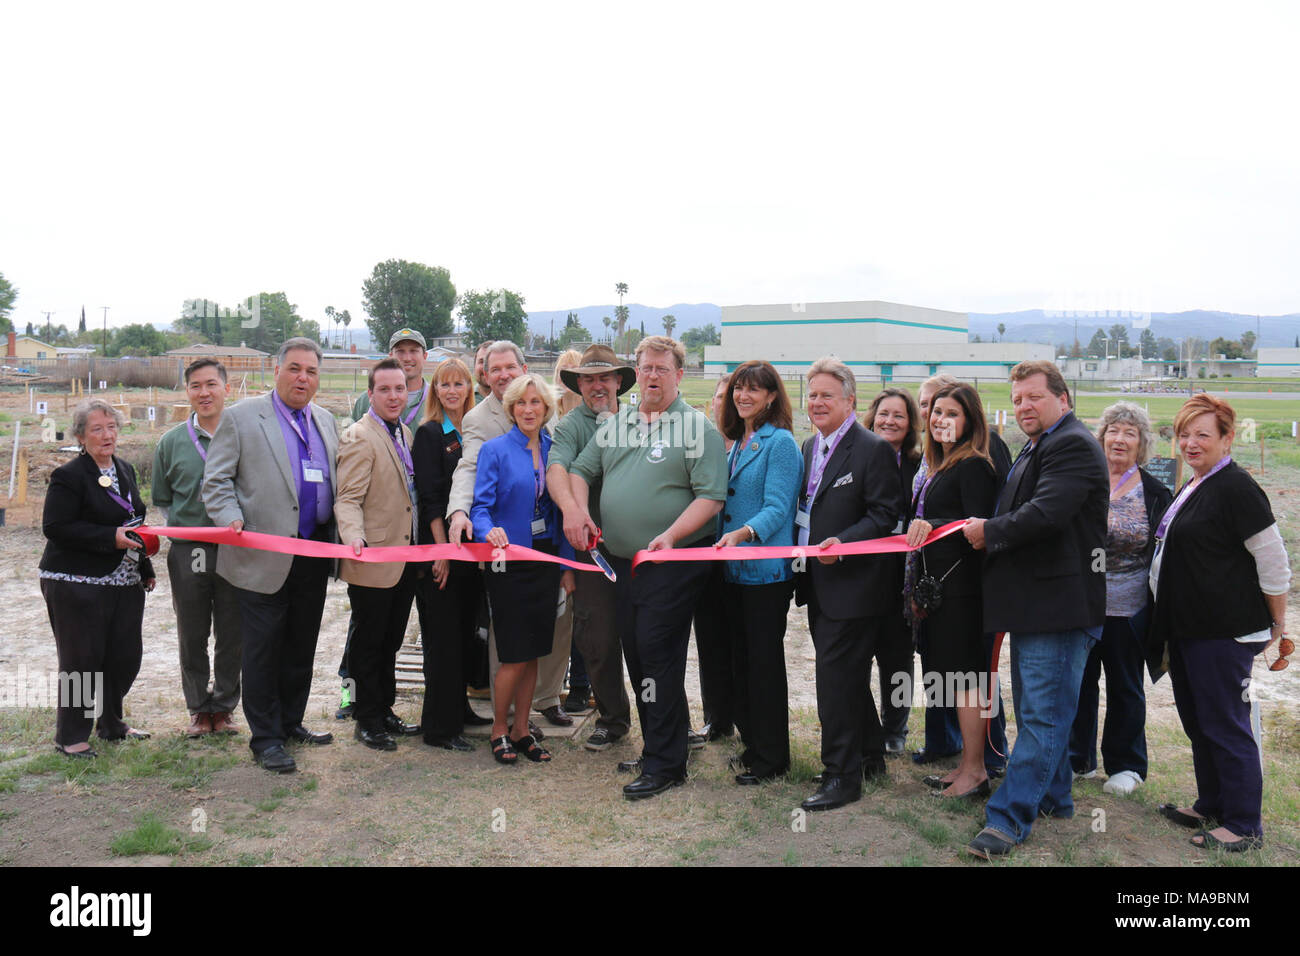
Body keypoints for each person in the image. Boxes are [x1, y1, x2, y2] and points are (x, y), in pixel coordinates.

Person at [568, 335, 728, 799]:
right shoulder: (618, 424)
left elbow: (711, 498)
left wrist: (671, 536)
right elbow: (580, 470)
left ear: (679, 374)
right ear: (634, 374)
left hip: (671, 562)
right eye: (645, 368)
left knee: (656, 655)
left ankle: (664, 765)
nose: (652, 376)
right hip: (621, 564)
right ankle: (665, 744)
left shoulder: (698, 429)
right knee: (638, 654)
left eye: (662, 368)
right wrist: (580, 513)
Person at [963, 360, 1108, 859]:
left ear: (1062, 399)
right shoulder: (1042, 442)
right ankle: (1054, 797)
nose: (1024, 405)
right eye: (1018, 398)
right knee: (1040, 713)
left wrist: (989, 531)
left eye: (1035, 397)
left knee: (1042, 718)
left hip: (1059, 609)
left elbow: (1046, 513)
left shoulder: (1070, 444)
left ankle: (1007, 821)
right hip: (1038, 606)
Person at [1149, 394, 1290, 852]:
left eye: (1202, 435)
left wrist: (1278, 623)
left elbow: (1273, 562)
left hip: (1222, 631)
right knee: (1199, 721)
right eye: (1184, 434)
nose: (1191, 443)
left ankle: (1245, 823)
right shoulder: (1196, 483)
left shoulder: (1236, 488)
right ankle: (1211, 802)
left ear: (1227, 439)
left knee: (1226, 725)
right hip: (1190, 628)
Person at [203, 337, 340, 774]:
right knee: (262, 649)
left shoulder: (326, 421)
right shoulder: (241, 418)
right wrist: (230, 518)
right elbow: (217, 481)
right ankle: (265, 739)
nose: (303, 378)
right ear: (276, 371)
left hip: (313, 551)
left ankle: (290, 722)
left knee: (301, 643)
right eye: (295, 368)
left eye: (312, 371)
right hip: (260, 556)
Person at [794, 358, 899, 812]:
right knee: (846, 678)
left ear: (850, 401)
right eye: (812, 395)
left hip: (855, 585)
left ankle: (841, 776)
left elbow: (884, 515)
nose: (817, 403)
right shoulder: (808, 447)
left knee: (834, 681)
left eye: (826, 396)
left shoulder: (872, 448)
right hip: (819, 583)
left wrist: (845, 541)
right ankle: (870, 755)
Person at [41, 400, 156, 757]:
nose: (107, 435)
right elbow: (56, 527)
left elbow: (133, 522)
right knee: (81, 661)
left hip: (124, 580)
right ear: (80, 436)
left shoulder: (124, 469)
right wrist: (109, 538)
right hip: (75, 582)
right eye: (97, 429)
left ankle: (111, 724)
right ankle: (70, 737)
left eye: (111, 427)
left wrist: (144, 566)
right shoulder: (69, 476)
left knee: (123, 657)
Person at [1068, 402, 1171, 795]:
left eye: (1130, 433)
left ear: (1141, 444)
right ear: (1102, 436)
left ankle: (1127, 766)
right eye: (1114, 430)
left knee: (1126, 686)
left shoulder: (1155, 491)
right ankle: (1078, 759)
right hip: (1081, 602)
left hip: (1129, 609)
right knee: (1080, 683)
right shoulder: (1085, 479)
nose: (1120, 439)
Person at [472, 373, 576, 764]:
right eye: (521, 403)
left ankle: (522, 729)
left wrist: (567, 566)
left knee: (534, 651)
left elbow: (561, 510)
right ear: (510, 408)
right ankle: (499, 728)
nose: (528, 410)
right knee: (514, 652)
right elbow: (480, 506)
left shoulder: (554, 450)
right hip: (508, 560)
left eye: (536, 403)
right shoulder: (495, 450)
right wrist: (488, 531)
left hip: (546, 560)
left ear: (547, 408)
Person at [903, 383, 998, 799]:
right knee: (951, 679)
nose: (941, 419)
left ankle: (976, 769)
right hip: (938, 593)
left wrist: (934, 525)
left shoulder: (973, 466)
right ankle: (964, 764)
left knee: (967, 682)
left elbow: (976, 532)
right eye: (936, 412)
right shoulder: (939, 465)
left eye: (952, 413)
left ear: (971, 421)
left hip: (962, 594)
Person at [712, 361, 801, 784]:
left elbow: (778, 506)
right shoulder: (737, 442)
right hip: (732, 573)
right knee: (742, 664)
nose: (742, 396)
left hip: (765, 574)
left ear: (770, 396)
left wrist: (744, 533)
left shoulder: (779, 443)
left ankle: (772, 758)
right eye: (737, 389)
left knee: (764, 667)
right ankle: (753, 746)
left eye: (753, 390)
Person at [548, 344, 637, 752]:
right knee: (597, 636)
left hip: (642, 545)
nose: (597, 385)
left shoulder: (644, 420)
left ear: (619, 381)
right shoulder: (569, 427)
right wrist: (571, 511)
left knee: (651, 637)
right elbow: (557, 469)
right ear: (578, 384)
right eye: (589, 379)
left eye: (605, 377)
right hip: (593, 547)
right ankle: (613, 718)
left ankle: (668, 717)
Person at [338, 328, 430, 717]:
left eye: (399, 390)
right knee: (368, 641)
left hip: (403, 556)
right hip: (373, 557)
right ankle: (364, 714)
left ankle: (384, 709)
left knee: (390, 639)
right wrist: (355, 538)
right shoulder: (360, 436)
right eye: (385, 390)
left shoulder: (404, 433)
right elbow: (348, 499)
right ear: (371, 395)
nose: (394, 396)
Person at [152, 358, 242, 737]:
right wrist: (190, 529)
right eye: (195, 386)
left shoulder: (245, 434)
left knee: (232, 631)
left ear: (226, 387)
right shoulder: (171, 442)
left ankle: (223, 708)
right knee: (192, 632)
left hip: (236, 549)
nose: (204, 393)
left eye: (211, 384)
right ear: (186, 391)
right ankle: (197, 709)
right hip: (189, 550)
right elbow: (163, 499)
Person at [412, 357, 489, 750]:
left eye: (460, 384)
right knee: (442, 641)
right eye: (445, 384)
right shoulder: (428, 434)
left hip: (471, 553)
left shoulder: (472, 432)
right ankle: (440, 728)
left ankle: (459, 708)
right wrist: (441, 552)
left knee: (463, 636)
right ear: (435, 390)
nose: (453, 391)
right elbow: (429, 501)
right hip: (443, 553)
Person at [865, 386, 922, 754]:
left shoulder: (921, 464)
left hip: (904, 576)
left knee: (897, 656)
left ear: (910, 423)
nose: (890, 421)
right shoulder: (860, 456)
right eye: (884, 414)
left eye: (899, 415)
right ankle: (865, 727)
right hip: (864, 570)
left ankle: (895, 729)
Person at [691, 374, 736, 744]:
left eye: (731, 396)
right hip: (703, 554)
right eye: (719, 396)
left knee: (740, 641)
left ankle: (744, 715)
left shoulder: (749, 444)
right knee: (708, 639)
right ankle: (716, 717)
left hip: (741, 558)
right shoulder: (701, 442)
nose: (724, 403)